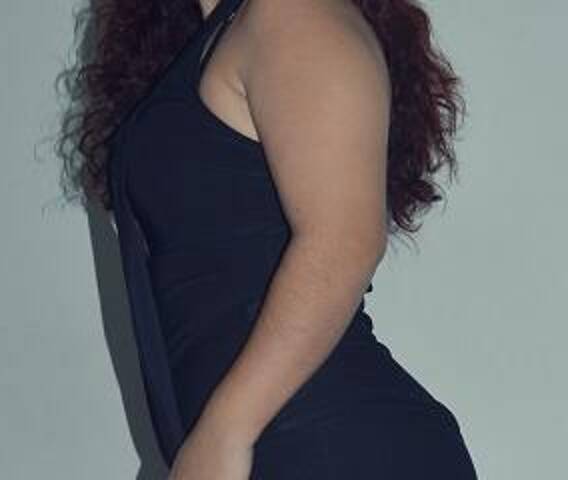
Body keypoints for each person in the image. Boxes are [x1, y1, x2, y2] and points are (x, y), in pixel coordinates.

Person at [56, 0, 477, 478]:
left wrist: (224, 434)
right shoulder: (212, 40)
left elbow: (343, 243)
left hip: (330, 448)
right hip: (285, 447)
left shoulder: (291, 14)